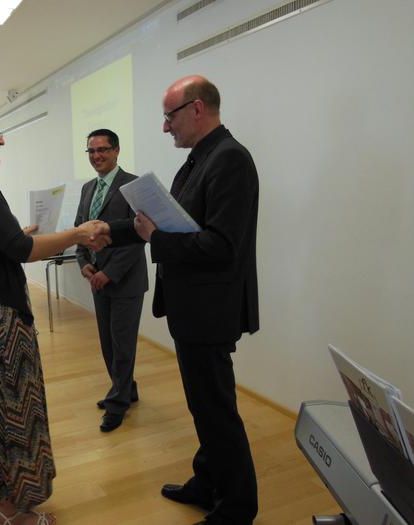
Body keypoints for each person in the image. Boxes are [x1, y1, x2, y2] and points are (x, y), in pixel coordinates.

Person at [95, 76, 259, 525]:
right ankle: (207, 482)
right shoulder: (199, 160)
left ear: (197, 109)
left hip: (210, 311)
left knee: (217, 411)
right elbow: (160, 224)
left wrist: (156, 239)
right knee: (203, 406)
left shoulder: (230, 160)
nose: (165, 126)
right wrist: (109, 230)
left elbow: (222, 246)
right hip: (193, 310)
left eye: (169, 116)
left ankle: (237, 509)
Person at [0, 105, 109, 525]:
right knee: (14, 413)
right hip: (1, 320)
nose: (1, 139)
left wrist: (16, 236)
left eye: (0, 131)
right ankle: (15, 513)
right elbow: (22, 252)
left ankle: (0, 504)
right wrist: (78, 233)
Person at [74, 129, 147, 433]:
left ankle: (118, 404)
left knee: (122, 344)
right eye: (91, 151)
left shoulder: (133, 186)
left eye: (103, 149)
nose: (97, 156)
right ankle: (126, 389)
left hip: (125, 280)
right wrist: (84, 264)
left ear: (116, 150)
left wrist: (109, 272)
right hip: (97, 279)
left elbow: (139, 235)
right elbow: (80, 230)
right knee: (108, 343)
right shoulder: (88, 188)